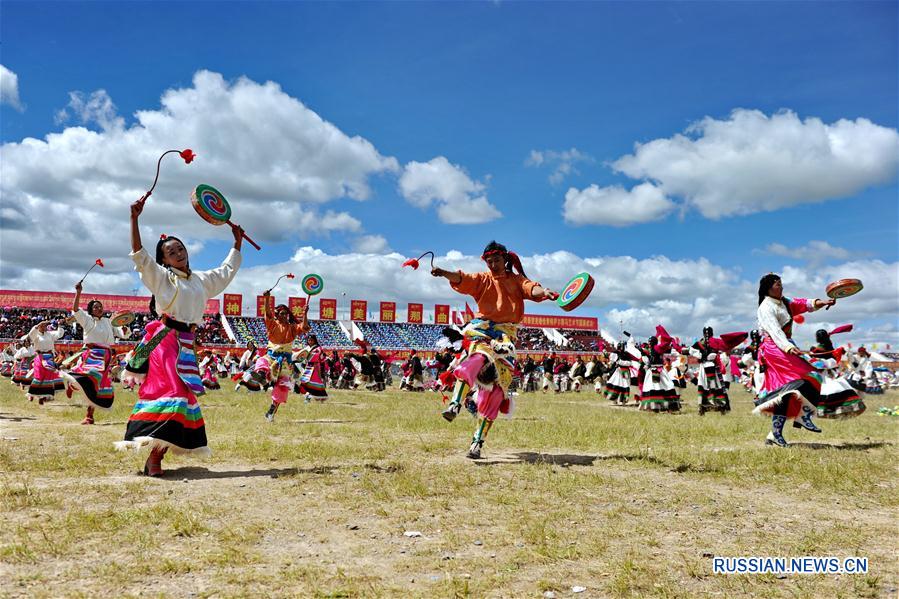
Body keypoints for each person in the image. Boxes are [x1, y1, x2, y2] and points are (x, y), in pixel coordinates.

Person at [114, 194, 242, 476]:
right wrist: (134, 218)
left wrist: (236, 243)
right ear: (163, 259)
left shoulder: (200, 280)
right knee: (173, 392)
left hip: (185, 343)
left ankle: (155, 455)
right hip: (163, 339)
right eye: (172, 252)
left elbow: (226, 271)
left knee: (182, 394)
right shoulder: (160, 276)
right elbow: (139, 256)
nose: (179, 253)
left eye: (181, 249)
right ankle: (155, 457)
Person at [434, 241, 558, 459]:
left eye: (496, 260)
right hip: (482, 332)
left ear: (505, 260)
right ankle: (454, 405)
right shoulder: (482, 280)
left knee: (497, 392)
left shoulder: (517, 280)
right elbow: (462, 278)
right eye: (489, 261)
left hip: (507, 338)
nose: (492, 264)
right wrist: (443, 272)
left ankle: (477, 444)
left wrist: (545, 291)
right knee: (478, 358)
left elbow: (532, 288)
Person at [751, 273, 835, 447]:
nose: (781, 287)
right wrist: (788, 347)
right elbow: (775, 331)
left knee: (788, 393)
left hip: (783, 346)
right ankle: (803, 415)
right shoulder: (766, 307)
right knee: (811, 377)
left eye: (781, 284)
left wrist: (823, 302)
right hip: (774, 349)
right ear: (768, 287)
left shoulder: (785, 303)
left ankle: (774, 434)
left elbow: (804, 304)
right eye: (777, 284)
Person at [62, 281, 131, 424]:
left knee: (98, 386)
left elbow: (122, 334)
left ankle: (89, 415)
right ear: (91, 310)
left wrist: (124, 330)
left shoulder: (108, 321)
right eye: (96, 307)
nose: (99, 308)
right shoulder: (86, 319)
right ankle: (73, 385)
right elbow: (75, 309)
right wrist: (78, 292)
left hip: (106, 355)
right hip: (91, 354)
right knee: (91, 377)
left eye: (100, 306)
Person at [261, 293, 310, 422]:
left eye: (285, 313)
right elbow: (267, 313)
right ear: (277, 314)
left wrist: (305, 313)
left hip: (285, 361)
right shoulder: (272, 324)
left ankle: (271, 412)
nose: (284, 316)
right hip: (271, 356)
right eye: (281, 313)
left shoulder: (292, 328)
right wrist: (266, 299)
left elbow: (304, 327)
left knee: (282, 387)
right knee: (261, 364)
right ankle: (263, 380)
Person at [809, 328, 865, 418]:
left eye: (816, 336)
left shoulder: (817, 350)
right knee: (837, 390)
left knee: (823, 391)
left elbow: (814, 362)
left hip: (822, 373)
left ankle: (820, 412)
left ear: (818, 337)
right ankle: (840, 410)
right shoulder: (832, 349)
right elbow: (836, 360)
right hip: (832, 373)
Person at [27, 319, 66, 403]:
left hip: (49, 357)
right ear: (39, 326)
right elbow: (30, 336)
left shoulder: (50, 334)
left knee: (48, 376)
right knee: (39, 376)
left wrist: (59, 325)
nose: (45, 327)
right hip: (40, 357)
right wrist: (37, 326)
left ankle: (44, 396)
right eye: (43, 325)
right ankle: (32, 393)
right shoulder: (36, 335)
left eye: (45, 325)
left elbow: (59, 334)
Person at [295, 334, 329, 404]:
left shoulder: (318, 348)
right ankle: (317, 397)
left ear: (315, 340)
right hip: (308, 367)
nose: (310, 341)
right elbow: (302, 356)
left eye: (311, 340)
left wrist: (306, 356)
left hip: (315, 367)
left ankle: (311, 398)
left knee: (313, 383)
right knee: (306, 383)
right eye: (309, 340)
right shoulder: (307, 348)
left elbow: (316, 357)